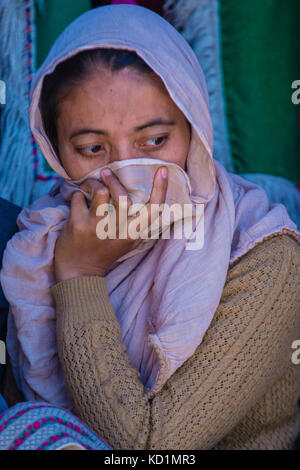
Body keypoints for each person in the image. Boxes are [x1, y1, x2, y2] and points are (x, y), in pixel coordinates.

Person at [0, 4, 300, 450]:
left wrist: (81, 277)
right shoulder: (37, 244)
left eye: (155, 141)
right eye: (91, 147)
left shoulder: (265, 256)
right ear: (55, 151)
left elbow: (150, 448)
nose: (125, 172)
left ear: (195, 130)